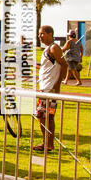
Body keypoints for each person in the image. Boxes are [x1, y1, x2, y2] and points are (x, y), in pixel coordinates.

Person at [34, 25, 67, 153]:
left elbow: (64, 65)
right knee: (42, 116)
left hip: (50, 89)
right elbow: (45, 67)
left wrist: (57, 85)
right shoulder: (47, 50)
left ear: (50, 34)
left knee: (48, 117)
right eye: (39, 34)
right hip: (44, 88)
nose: (40, 36)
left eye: (42, 34)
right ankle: (46, 142)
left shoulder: (54, 48)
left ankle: (49, 143)